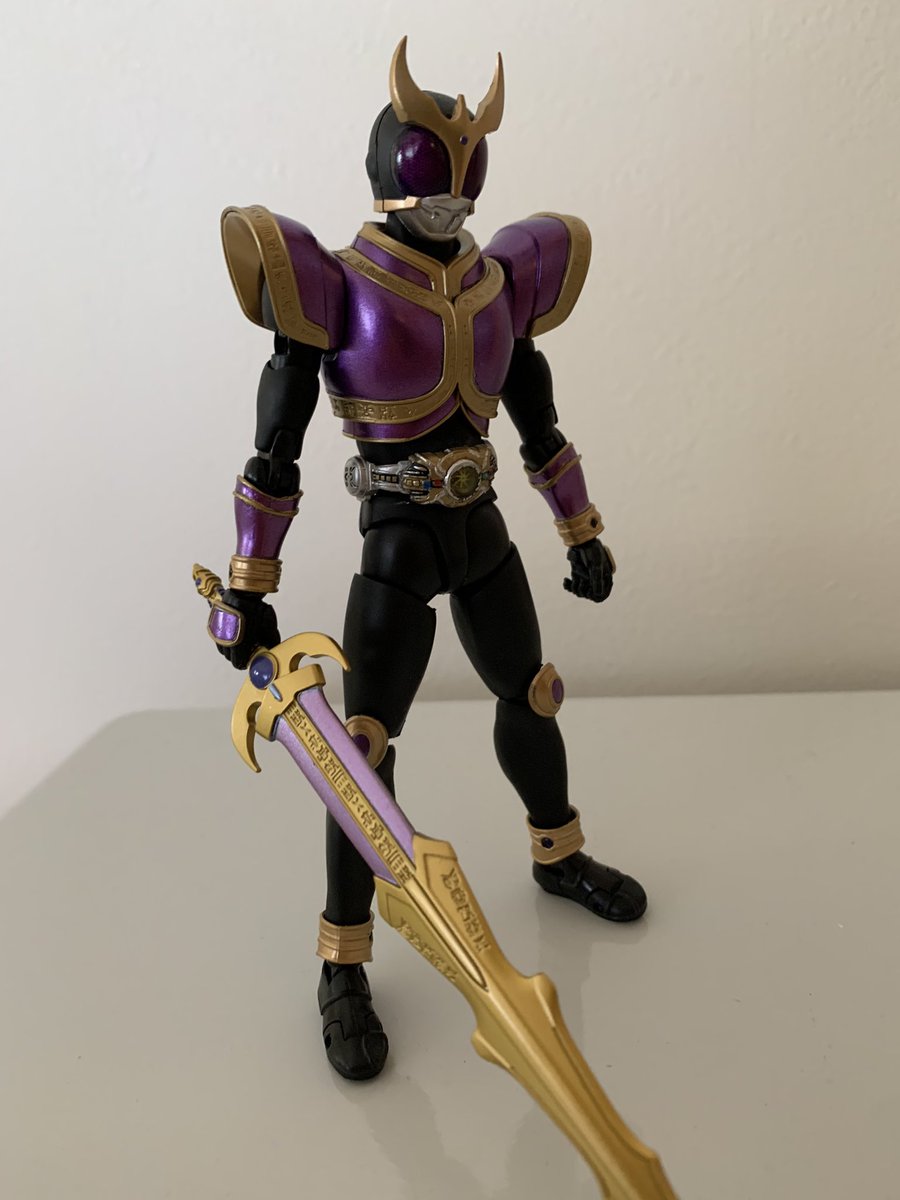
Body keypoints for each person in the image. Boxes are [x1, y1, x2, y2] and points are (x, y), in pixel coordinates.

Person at [204, 38, 647, 1082]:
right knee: (362, 754)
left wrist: (579, 525)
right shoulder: (337, 285)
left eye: (465, 164)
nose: (450, 188)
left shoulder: (502, 284)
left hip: (480, 527)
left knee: (531, 694)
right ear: (393, 165)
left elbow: (538, 422)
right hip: (396, 541)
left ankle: (558, 851)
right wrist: (248, 585)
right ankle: (343, 959)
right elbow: (275, 448)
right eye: (431, 162)